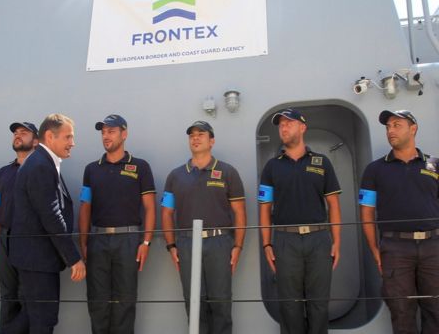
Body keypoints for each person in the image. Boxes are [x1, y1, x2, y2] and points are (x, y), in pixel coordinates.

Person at [258, 108, 341, 334]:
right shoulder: (272, 166)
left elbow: (333, 205)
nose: (283, 127)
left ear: (302, 127)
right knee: (289, 305)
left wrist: (336, 241)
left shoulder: (321, 162)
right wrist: (267, 244)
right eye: (281, 124)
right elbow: (264, 208)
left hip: (319, 239)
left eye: (289, 123)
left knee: (319, 304)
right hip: (285, 240)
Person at [161, 121, 247, 334]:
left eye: (201, 134)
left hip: (220, 243)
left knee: (221, 302)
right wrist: (172, 246)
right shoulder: (175, 176)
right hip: (187, 243)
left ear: (212, 140)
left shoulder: (228, 172)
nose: (196, 138)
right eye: (192, 135)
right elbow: (167, 213)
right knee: (194, 303)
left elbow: (239, 212)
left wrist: (237, 246)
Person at [359, 110, 439, 334]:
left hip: (434, 246)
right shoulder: (374, 170)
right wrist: (376, 251)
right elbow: (366, 213)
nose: (390, 131)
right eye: (387, 127)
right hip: (395, 249)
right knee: (402, 312)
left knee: (436, 310)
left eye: (396, 125)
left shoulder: (434, 165)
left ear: (413, 128)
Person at [79, 114, 156, 334]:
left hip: (129, 241)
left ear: (124, 133)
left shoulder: (140, 166)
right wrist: (83, 242)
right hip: (98, 241)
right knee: (97, 301)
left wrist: (146, 243)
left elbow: (150, 208)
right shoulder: (91, 169)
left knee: (125, 301)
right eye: (103, 132)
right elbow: (85, 207)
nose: (106, 136)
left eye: (111, 131)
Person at [9, 113, 86, 334]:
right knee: (44, 320)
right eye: (68, 137)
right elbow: (51, 215)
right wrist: (74, 258)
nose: (73, 143)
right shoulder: (41, 165)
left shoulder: (42, 162)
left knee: (30, 317)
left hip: (36, 259)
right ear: (50, 137)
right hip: (37, 259)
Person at [0, 121, 38, 333]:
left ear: (36, 141)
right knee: (7, 295)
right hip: (4, 239)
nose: (18, 135)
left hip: (30, 241)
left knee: (28, 295)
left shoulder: (43, 170)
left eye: (24, 132)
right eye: (15, 133)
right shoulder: (3, 172)